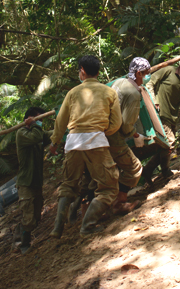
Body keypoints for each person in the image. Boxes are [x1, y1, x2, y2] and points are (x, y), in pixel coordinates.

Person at [48, 55, 122, 238]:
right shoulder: (109, 92)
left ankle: (57, 228)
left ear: (82, 71)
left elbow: (61, 121)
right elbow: (116, 123)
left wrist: (54, 142)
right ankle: (87, 226)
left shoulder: (72, 93)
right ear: (97, 71)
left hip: (73, 143)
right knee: (109, 187)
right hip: (96, 141)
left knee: (68, 185)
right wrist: (104, 131)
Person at [144, 57, 180, 184]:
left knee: (165, 147)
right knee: (169, 142)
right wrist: (154, 101)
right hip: (160, 114)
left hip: (173, 116)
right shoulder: (168, 71)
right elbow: (149, 83)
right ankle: (165, 171)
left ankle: (148, 170)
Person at [106, 57, 149, 213]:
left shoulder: (119, 83)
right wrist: (136, 135)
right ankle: (120, 203)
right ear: (138, 73)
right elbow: (126, 125)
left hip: (101, 133)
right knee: (135, 168)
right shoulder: (133, 93)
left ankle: (96, 212)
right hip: (114, 136)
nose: (147, 77)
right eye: (146, 74)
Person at [15, 106, 50, 254]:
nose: (40, 123)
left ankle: (19, 233)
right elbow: (36, 137)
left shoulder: (39, 132)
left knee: (36, 217)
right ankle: (23, 243)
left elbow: (51, 135)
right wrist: (34, 124)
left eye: (41, 120)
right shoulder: (22, 133)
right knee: (29, 218)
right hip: (25, 182)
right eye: (37, 119)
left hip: (36, 181)